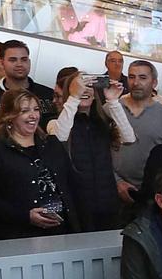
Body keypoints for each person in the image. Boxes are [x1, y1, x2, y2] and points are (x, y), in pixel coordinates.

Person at [0, 89, 77, 241]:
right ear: (9, 116)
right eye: (25, 111)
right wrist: (24, 216)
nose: (33, 115)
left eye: (36, 109)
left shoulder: (51, 144)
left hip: (60, 233)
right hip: (16, 236)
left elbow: (70, 185)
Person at [51, 69, 131, 232]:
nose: (85, 90)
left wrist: (113, 100)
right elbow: (59, 139)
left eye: (89, 86)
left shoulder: (102, 120)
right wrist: (73, 98)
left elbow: (129, 138)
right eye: (81, 86)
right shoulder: (56, 122)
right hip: (75, 204)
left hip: (107, 200)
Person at [114, 60, 162, 211]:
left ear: (154, 82)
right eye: (132, 77)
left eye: (143, 77)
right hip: (114, 191)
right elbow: (100, 151)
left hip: (152, 194)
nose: (136, 82)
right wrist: (116, 181)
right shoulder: (114, 109)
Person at [0, 40, 57, 126]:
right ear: (2, 62)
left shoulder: (49, 95)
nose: (19, 64)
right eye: (13, 60)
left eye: (24, 59)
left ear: (29, 62)